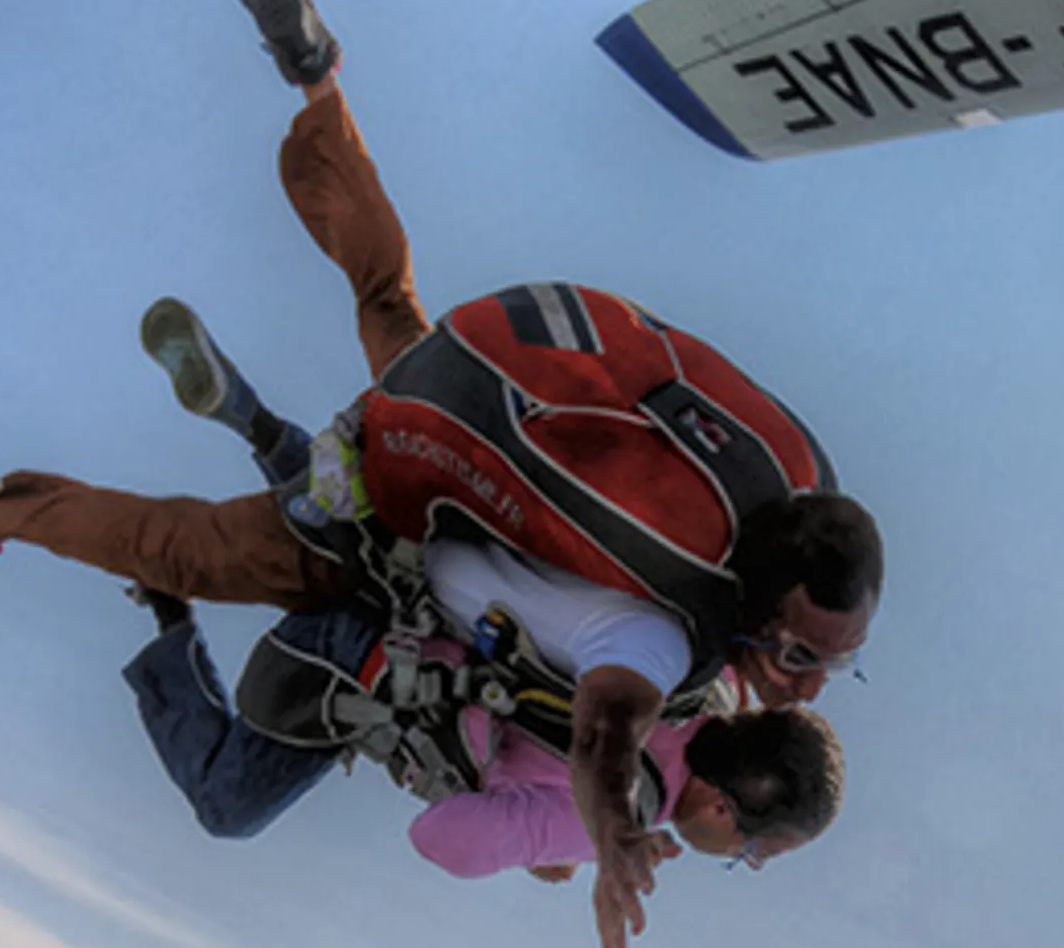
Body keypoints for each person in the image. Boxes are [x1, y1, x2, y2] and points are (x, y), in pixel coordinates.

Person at [0, 0, 883, 948]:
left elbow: (604, 718)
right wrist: (597, 830)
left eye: (824, 671)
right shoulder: (675, 652)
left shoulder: (725, 597)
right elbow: (593, 731)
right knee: (180, 548)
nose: (804, 682)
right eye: (805, 657)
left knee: (390, 308)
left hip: (463, 427)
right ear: (726, 811)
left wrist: (592, 824)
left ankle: (316, 81)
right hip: (396, 527)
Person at [122, 305, 845, 880]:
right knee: (227, 807)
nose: (734, 859)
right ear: (722, 808)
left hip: (422, 567)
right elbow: (442, 840)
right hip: (357, 663)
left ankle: (256, 419)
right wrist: (573, 841)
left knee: (343, 527)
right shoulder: (626, 807)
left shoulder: (702, 670)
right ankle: (168, 609)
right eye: (750, 854)